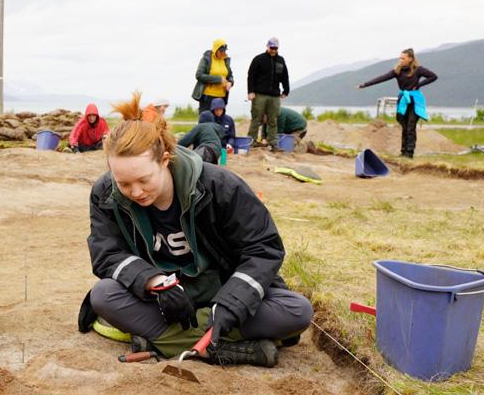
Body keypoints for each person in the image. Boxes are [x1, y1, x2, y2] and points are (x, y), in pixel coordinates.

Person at [79, 92, 313, 367]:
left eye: (144, 180)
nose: (136, 192)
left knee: (297, 310)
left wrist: (231, 303)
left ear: (164, 160)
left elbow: (264, 248)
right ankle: (223, 348)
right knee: (104, 295)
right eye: (124, 183)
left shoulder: (220, 186)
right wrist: (154, 282)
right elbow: (106, 253)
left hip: (221, 284)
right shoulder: (105, 193)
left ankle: (164, 342)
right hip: (164, 299)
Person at [357, 48, 438, 158]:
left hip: (414, 100)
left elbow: (433, 76)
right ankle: (403, 152)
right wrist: (365, 84)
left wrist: (419, 85)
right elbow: (382, 78)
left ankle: (409, 153)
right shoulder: (397, 71)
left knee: (410, 127)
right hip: (403, 101)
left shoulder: (418, 70)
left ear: (410, 59)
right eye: (400, 58)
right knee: (404, 126)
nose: (400, 60)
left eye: (403, 58)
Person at [246, 37, 290, 150]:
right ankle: (252, 141)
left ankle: (273, 143)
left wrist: (286, 90)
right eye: (271, 48)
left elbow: (285, 76)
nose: (273, 50)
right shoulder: (258, 59)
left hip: (275, 95)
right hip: (259, 94)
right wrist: (250, 92)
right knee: (256, 118)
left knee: (273, 120)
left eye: (275, 48)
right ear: (267, 46)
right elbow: (251, 76)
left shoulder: (281, 60)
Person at [191, 39, 233, 117]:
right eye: (221, 51)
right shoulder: (207, 59)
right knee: (206, 121)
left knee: (219, 122)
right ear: (215, 49)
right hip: (208, 97)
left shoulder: (225, 60)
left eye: (224, 51)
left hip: (221, 97)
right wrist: (218, 79)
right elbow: (199, 75)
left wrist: (230, 82)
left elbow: (230, 76)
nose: (223, 53)